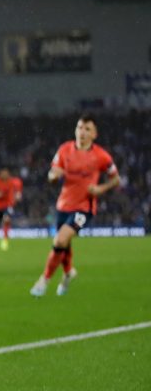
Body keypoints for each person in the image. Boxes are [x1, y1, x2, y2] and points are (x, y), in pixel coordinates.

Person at [30, 114, 119, 298]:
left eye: (87, 129)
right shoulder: (64, 150)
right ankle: (68, 272)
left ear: (94, 134)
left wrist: (101, 189)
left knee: (60, 240)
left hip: (84, 208)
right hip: (63, 204)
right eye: (80, 128)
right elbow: (52, 174)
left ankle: (44, 280)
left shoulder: (101, 156)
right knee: (65, 244)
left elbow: (116, 179)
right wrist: (54, 177)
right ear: (75, 130)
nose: (82, 132)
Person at [0, 167, 23, 251]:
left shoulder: (12, 181)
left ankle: (5, 240)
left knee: (7, 220)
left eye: (6, 172)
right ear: (0, 173)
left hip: (8, 205)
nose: (5, 174)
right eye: (3, 172)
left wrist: (18, 195)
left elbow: (18, 188)